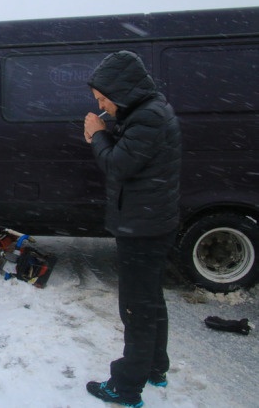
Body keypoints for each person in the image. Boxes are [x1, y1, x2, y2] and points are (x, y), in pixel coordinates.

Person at [83, 51, 181, 407]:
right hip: (150, 222)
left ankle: (125, 388)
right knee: (151, 300)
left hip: (143, 228)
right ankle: (156, 367)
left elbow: (117, 165)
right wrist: (106, 133)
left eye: (102, 98)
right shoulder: (148, 112)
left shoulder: (148, 119)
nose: (102, 105)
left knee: (137, 309)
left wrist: (97, 135)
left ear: (120, 89)